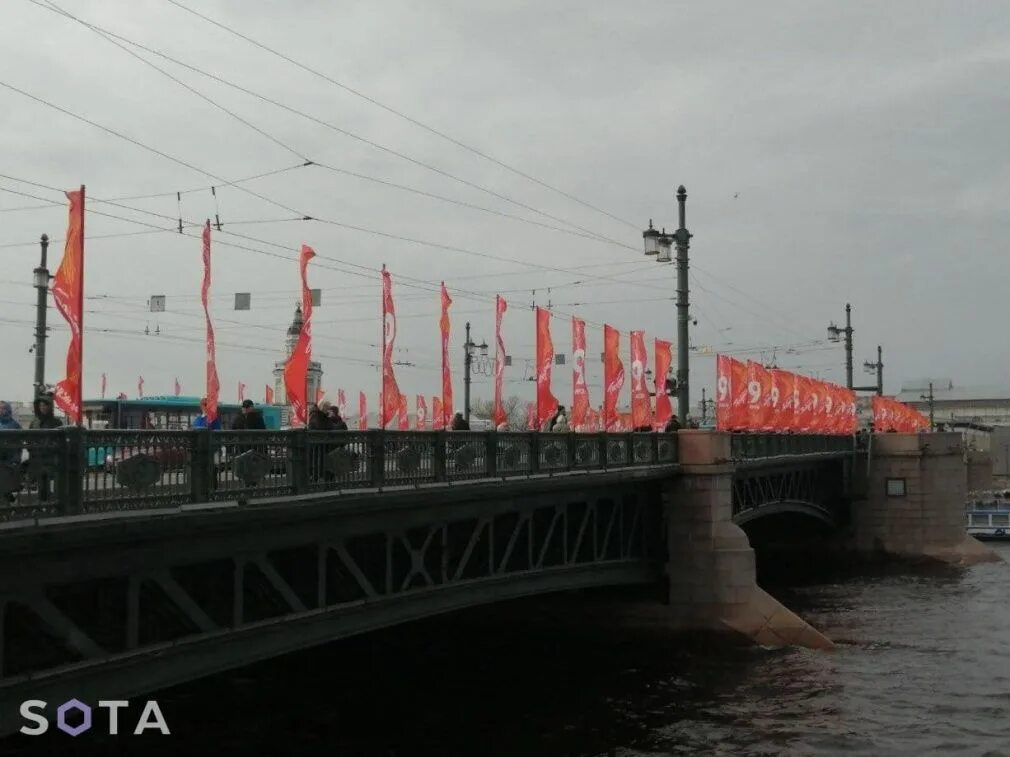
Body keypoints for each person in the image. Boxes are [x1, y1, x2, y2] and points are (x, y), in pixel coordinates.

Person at [0, 402, 21, 503]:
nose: (1, 410)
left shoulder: (14, 425)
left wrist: (15, 460)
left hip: (9, 462)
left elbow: (19, 446)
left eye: (3, 408)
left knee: (6, 488)